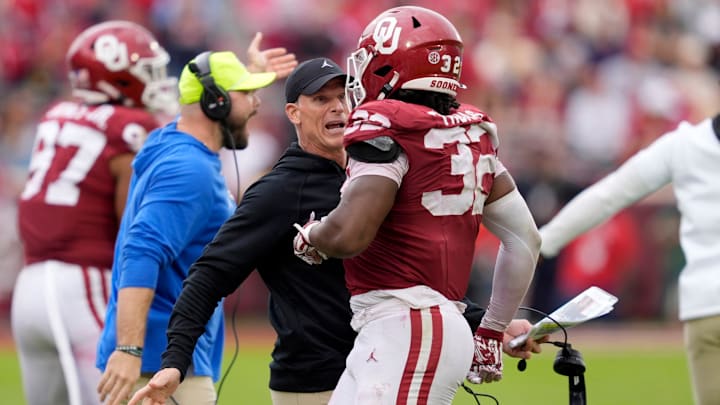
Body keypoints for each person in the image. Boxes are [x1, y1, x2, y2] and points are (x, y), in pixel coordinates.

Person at [127, 57, 545, 405]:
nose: (338, 107)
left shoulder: (376, 176)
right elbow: (209, 274)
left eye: (344, 95)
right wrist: (175, 360)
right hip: (317, 382)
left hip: (379, 360)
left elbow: (400, 282)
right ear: (294, 113)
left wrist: (488, 322)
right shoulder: (280, 190)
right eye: (320, 99)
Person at [293, 6, 541, 405]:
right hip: (405, 327)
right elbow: (525, 239)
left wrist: (314, 236)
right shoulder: (468, 134)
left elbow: (350, 233)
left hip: (409, 325)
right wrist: (492, 329)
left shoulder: (385, 126)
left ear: (389, 68)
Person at [95, 43, 296, 405]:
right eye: (247, 93)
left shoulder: (172, 142)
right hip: (160, 364)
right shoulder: (190, 169)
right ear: (215, 101)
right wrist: (129, 348)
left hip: (159, 359)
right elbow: (140, 252)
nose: (257, 103)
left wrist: (244, 74)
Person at [10, 20, 178, 405]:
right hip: (82, 282)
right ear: (117, 79)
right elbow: (133, 223)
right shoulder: (131, 126)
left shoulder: (57, 113)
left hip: (31, 283)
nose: (155, 82)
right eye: (146, 72)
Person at [538, 115, 720, 405]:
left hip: (707, 307)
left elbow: (608, 195)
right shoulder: (683, 144)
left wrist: (540, 244)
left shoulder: (685, 144)